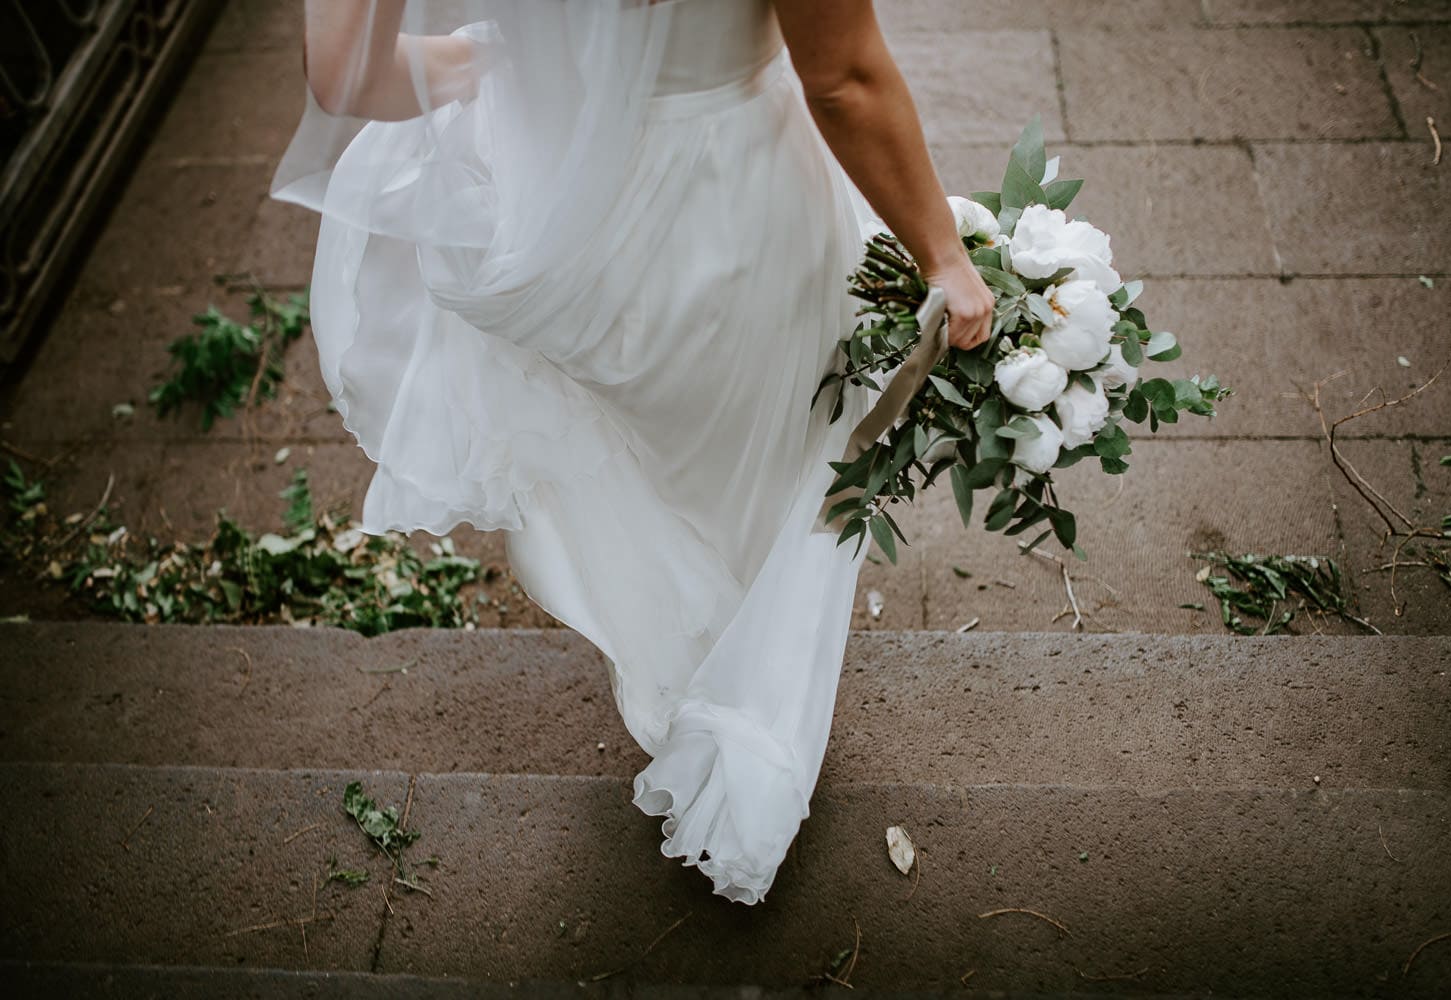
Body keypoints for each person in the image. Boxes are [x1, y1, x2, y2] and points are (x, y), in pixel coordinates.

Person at [280, 0, 993, 905]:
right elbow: (842, 79)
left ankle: (686, 678)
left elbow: (347, 76)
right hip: (731, 200)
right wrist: (945, 257)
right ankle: (739, 693)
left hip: (564, 217)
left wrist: (501, 57)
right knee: (765, 465)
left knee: (643, 460)